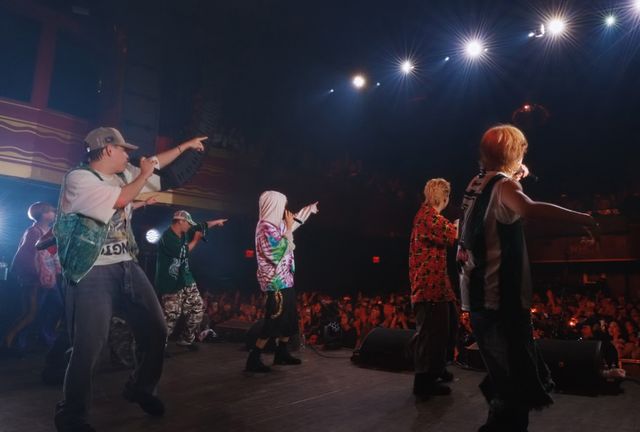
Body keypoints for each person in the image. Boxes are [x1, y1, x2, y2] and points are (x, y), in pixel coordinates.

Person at [53, 127, 206, 432]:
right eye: (124, 150)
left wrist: (185, 146)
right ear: (108, 149)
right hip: (92, 270)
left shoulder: (123, 175)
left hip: (126, 265)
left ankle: (141, 388)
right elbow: (123, 198)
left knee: (156, 329)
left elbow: (156, 164)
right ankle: (71, 416)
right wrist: (143, 174)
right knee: (89, 347)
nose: (129, 155)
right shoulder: (79, 178)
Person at [457, 124, 598, 432]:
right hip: (501, 297)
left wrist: (514, 174)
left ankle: (498, 421)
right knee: (515, 374)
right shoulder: (504, 187)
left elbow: (498, 193)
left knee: (503, 368)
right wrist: (582, 218)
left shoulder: (477, 182)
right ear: (514, 153)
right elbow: (529, 209)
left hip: (476, 292)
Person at [245, 191, 318, 372]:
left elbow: (293, 224)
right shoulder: (265, 228)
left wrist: (309, 210)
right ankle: (253, 358)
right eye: (281, 204)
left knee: (290, 320)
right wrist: (289, 228)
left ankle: (281, 353)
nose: (284, 208)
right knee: (273, 321)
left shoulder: (275, 225)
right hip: (276, 283)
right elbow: (279, 251)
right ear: (273, 205)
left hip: (286, 281)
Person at [408, 178, 459, 397]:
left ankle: (437, 368)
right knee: (431, 334)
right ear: (444, 197)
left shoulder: (428, 215)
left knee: (449, 324)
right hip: (428, 286)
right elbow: (452, 234)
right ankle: (423, 381)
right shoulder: (429, 217)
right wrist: (461, 223)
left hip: (438, 283)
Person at [155, 210, 226, 352]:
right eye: (188, 223)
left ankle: (186, 340)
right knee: (171, 315)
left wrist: (216, 222)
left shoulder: (185, 231)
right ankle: (158, 347)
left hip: (186, 279)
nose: (189, 226)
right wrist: (196, 239)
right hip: (170, 282)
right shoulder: (167, 237)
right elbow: (183, 252)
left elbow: (201, 225)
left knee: (197, 307)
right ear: (180, 221)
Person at [3, 202, 63, 353]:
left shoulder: (48, 230)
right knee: (30, 313)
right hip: (36, 278)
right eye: (50, 211)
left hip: (48, 278)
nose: (54, 213)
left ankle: (42, 336)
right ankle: (12, 341)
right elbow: (25, 255)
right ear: (42, 214)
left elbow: (52, 253)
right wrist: (35, 275)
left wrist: (56, 269)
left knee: (53, 307)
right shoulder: (33, 232)